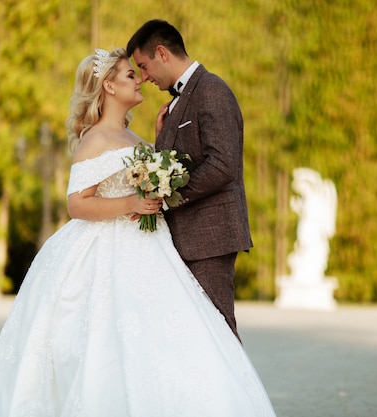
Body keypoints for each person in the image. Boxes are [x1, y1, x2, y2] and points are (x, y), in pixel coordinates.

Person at [0, 48, 276, 417]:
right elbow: (77, 204)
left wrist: (158, 142)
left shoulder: (134, 137)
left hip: (151, 247)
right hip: (104, 251)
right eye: (131, 75)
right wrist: (130, 204)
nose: (139, 79)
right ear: (109, 86)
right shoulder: (94, 140)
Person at [126, 20, 252, 340]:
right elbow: (179, 160)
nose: (143, 77)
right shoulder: (174, 103)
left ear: (161, 53)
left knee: (217, 331)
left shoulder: (211, 90)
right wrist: (159, 141)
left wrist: (167, 197)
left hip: (209, 236)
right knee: (197, 336)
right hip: (187, 237)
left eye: (143, 66)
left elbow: (223, 165)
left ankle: (238, 392)